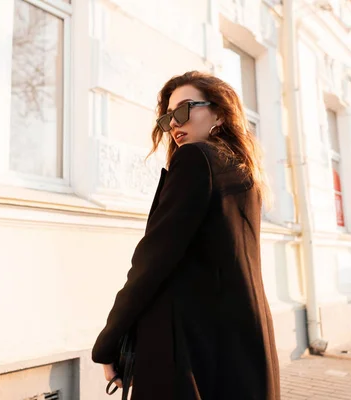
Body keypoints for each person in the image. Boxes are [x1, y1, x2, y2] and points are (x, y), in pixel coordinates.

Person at [91, 70, 280, 399]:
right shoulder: (243, 173)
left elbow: (152, 261)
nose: (174, 124)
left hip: (191, 351)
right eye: (167, 118)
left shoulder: (196, 159)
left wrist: (109, 341)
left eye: (184, 110)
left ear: (219, 113)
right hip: (242, 343)